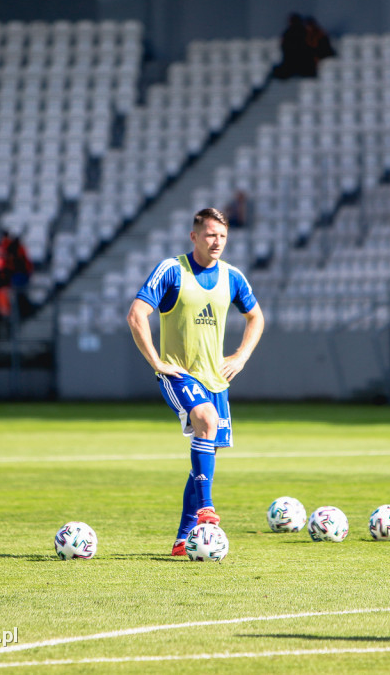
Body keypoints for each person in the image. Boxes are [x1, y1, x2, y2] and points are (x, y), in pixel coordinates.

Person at [126, 207, 264, 556]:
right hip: (178, 372)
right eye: (209, 235)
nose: (216, 242)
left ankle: (183, 537)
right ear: (194, 236)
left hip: (216, 379)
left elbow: (256, 316)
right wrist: (156, 361)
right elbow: (136, 314)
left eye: (222, 236)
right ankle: (205, 510)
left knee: (207, 450)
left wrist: (242, 356)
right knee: (205, 419)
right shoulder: (172, 270)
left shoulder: (232, 276)